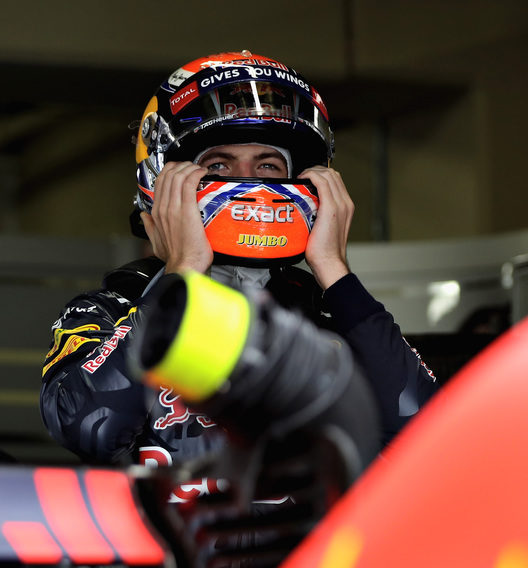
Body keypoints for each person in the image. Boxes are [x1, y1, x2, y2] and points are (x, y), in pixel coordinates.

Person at [39, 51, 438, 476]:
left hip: (304, 544)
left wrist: (335, 271)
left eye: (267, 165)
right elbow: (88, 428)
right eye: (218, 165)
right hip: (165, 542)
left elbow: (432, 440)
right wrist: (183, 271)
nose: (247, 182)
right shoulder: (107, 311)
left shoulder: (331, 325)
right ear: (165, 180)